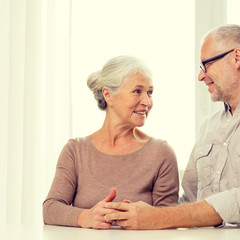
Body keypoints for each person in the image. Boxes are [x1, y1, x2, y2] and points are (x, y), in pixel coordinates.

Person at [103, 24, 240, 229]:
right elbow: (189, 201)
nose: (201, 76)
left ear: (236, 57)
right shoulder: (209, 126)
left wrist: (157, 217)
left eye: (206, 64)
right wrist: (127, 211)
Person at [42, 56, 179, 229]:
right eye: (137, 91)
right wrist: (85, 217)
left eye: (150, 92)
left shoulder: (162, 153)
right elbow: (51, 208)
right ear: (108, 95)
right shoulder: (75, 150)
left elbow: (169, 220)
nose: (147, 102)